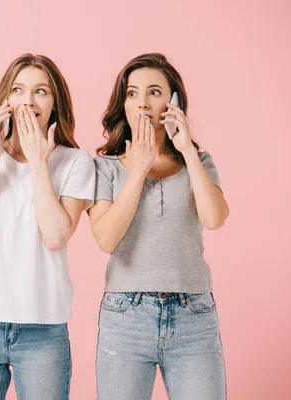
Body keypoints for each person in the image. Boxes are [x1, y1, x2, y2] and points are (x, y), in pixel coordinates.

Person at [0, 53, 95, 400]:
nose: (28, 100)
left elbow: (57, 235)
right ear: (5, 101)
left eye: (41, 91)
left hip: (43, 330)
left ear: (56, 103)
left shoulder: (76, 162)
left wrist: (37, 161)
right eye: (18, 90)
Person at [89, 53, 229, 400]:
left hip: (193, 315)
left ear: (173, 100)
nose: (142, 102)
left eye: (154, 92)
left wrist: (186, 148)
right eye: (133, 93)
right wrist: (138, 169)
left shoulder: (200, 161)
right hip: (126, 317)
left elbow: (215, 218)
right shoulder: (105, 167)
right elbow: (106, 238)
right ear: (123, 102)